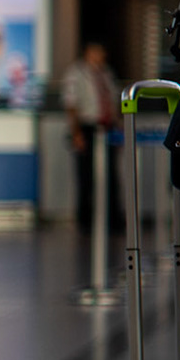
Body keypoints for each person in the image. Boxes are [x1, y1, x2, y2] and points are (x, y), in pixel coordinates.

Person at [61, 42, 122, 230]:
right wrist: (76, 132)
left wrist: (119, 125)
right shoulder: (76, 74)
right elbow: (71, 104)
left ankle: (112, 219)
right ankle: (86, 220)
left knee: (111, 174)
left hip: (107, 127)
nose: (100, 56)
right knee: (86, 176)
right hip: (87, 126)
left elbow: (114, 101)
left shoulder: (106, 74)